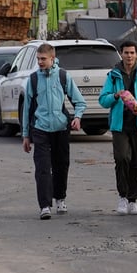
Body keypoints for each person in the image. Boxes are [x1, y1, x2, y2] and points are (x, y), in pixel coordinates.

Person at [21, 43, 86, 220]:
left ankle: (60, 198)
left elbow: (80, 101)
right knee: (42, 168)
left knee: (61, 165)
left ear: (52, 58)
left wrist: (77, 117)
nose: (40, 62)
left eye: (43, 59)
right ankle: (44, 205)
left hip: (61, 128)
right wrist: (26, 135)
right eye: (38, 59)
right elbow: (27, 109)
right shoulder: (33, 80)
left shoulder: (63, 76)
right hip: (40, 129)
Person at [98, 41, 137, 215]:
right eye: (126, 53)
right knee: (121, 158)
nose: (129, 56)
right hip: (119, 125)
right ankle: (122, 197)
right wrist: (115, 96)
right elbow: (103, 100)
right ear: (121, 54)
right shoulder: (113, 76)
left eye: (132, 53)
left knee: (136, 162)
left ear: (136, 54)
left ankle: (133, 200)